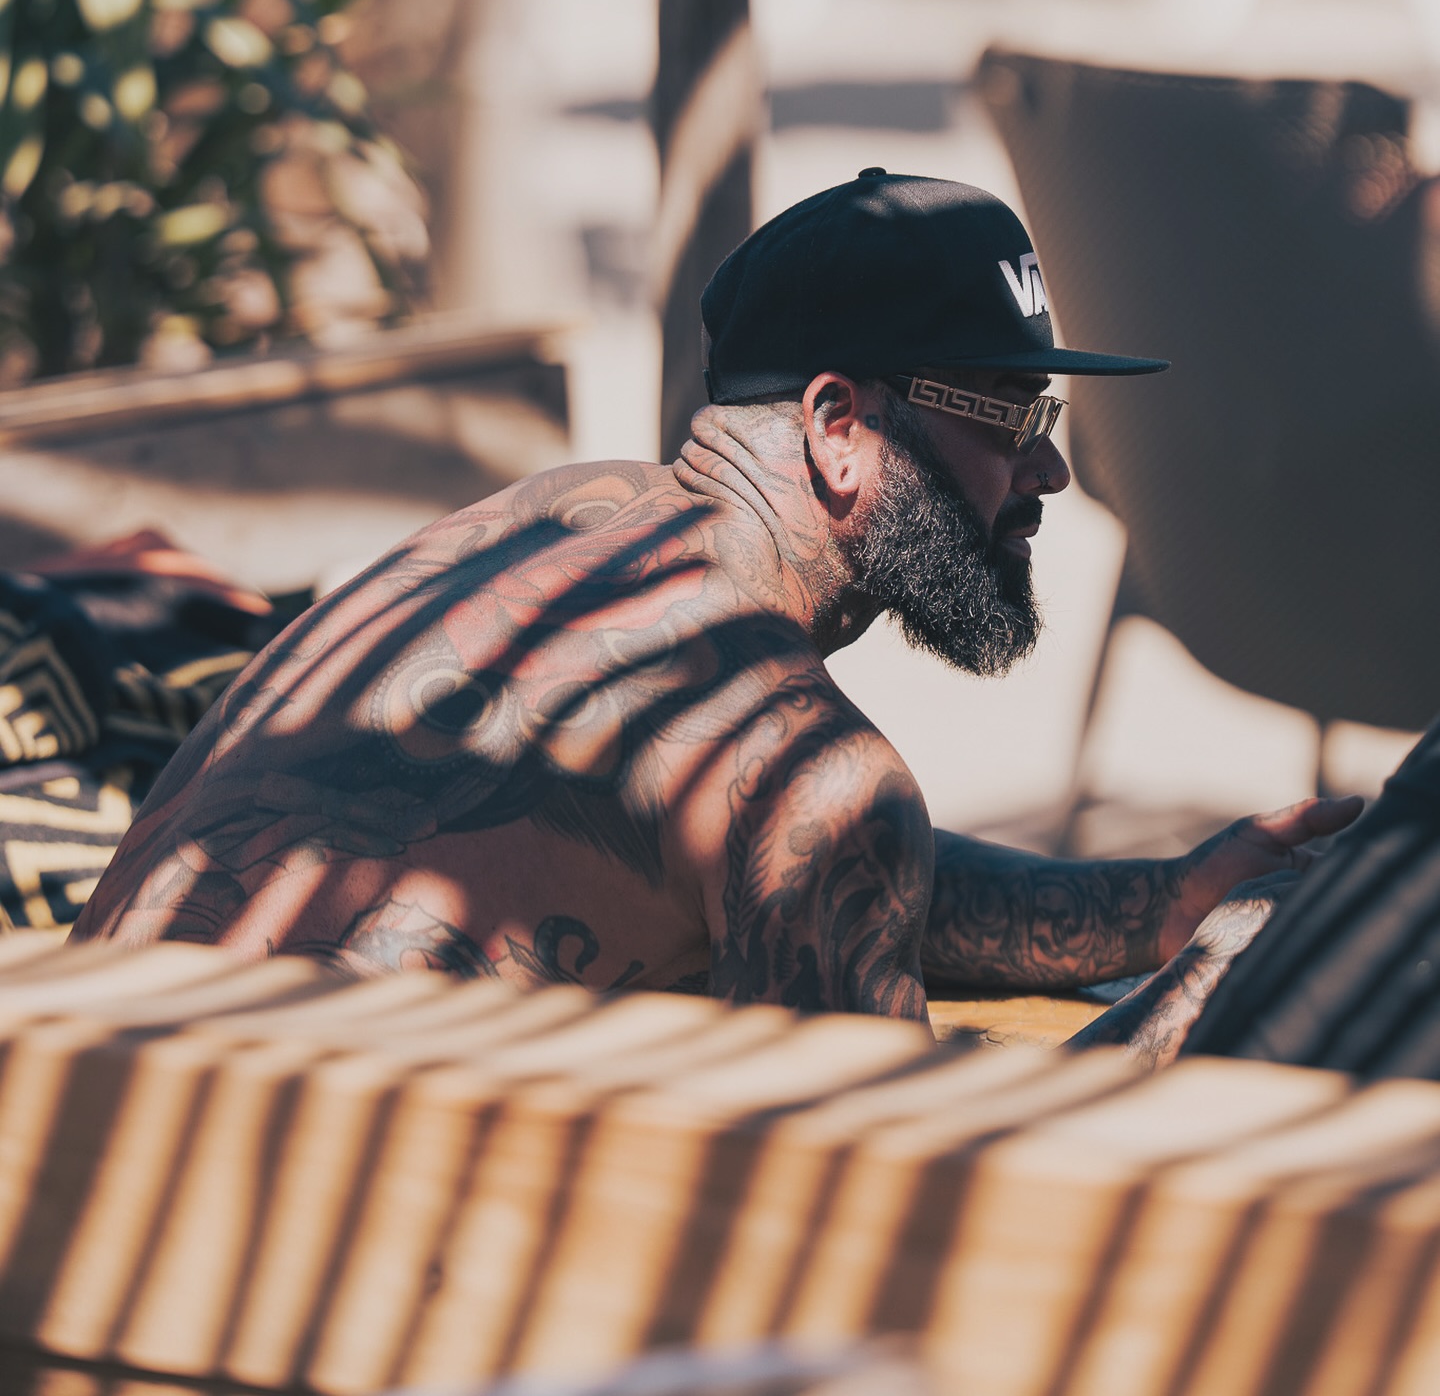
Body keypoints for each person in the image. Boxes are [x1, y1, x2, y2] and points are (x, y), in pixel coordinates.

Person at [73, 171, 1360, 1060]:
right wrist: (1213, 987)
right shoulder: (805, 770)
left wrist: (1161, 903)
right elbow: (897, 1214)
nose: (1048, 471)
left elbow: (814, 866)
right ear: (839, 428)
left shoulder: (551, 520)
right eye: (1010, 418)